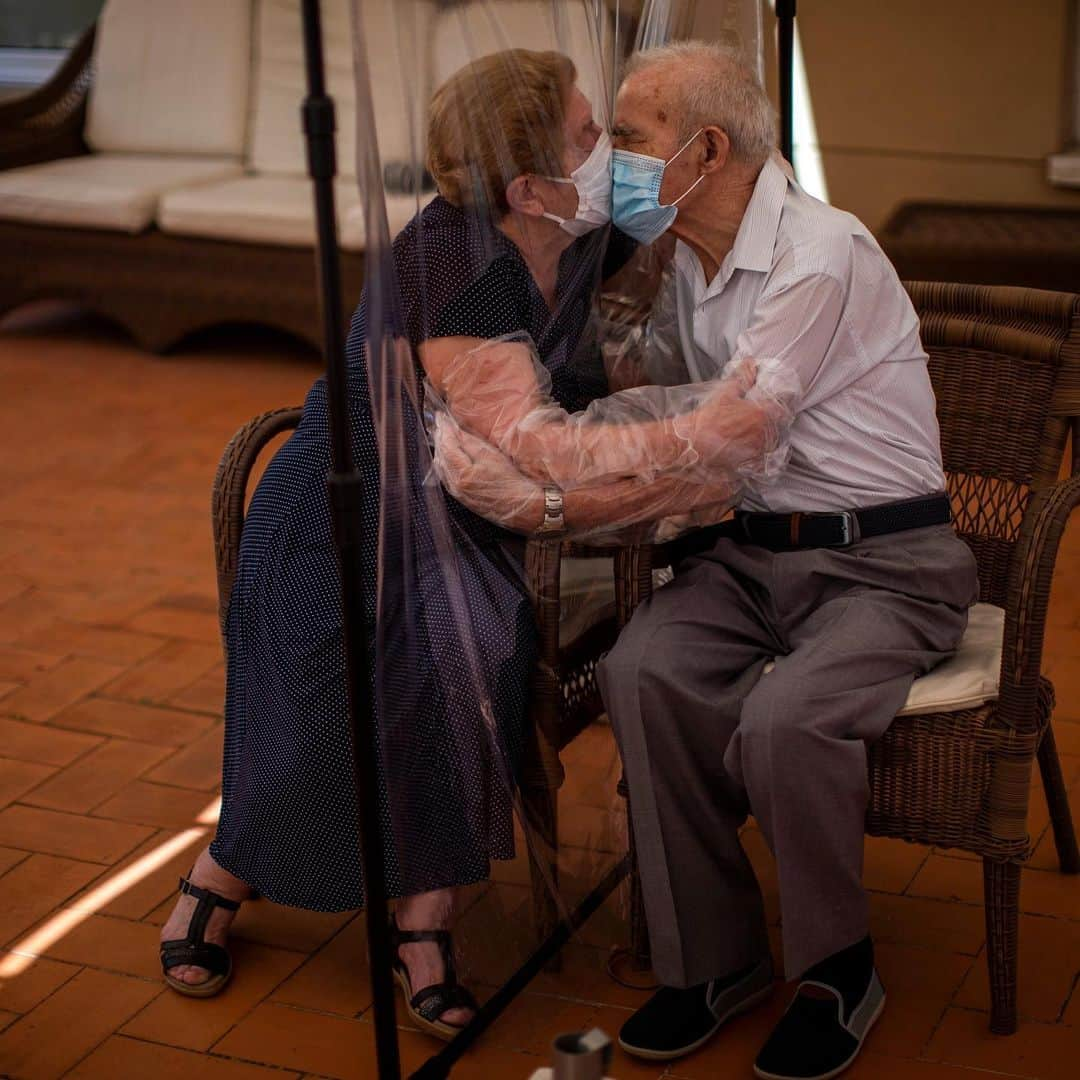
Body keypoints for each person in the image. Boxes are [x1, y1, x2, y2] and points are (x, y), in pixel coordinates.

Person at [156, 47, 766, 1041]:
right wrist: (703, 445)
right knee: (386, 664)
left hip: (457, 513)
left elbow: (691, 190)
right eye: (587, 137)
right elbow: (542, 452)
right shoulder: (456, 272)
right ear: (528, 185)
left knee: (477, 648)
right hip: (338, 517)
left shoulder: (561, 223)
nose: (606, 151)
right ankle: (222, 870)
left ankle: (422, 922)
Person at [439, 40, 978, 1080]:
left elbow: (732, 434)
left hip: (887, 561)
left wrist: (553, 484)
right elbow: (678, 411)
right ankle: (717, 963)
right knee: (644, 673)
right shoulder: (689, 256)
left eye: (631, 139)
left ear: (706, 147)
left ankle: (837, 968)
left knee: (787, 718)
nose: (615, 165)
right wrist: (521, 412)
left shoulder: (824, 253)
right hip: (753, 557)